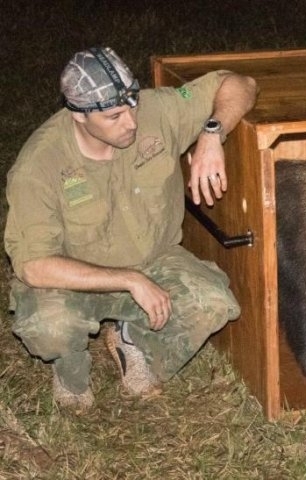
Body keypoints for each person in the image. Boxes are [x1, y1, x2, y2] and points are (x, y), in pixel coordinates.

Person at [4, 47, 257, 411]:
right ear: (78, 115)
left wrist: (212, 133)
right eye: (114, 116)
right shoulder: (39, 166)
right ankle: (70, 369)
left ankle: (131, 339)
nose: (131, 123)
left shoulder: (156, 111)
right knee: (49, 328)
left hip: (154, 258)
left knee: (213, 303)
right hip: (73, 277)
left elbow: (239, 83)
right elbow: (34, 265)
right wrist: (129, 280)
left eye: (133, 105)